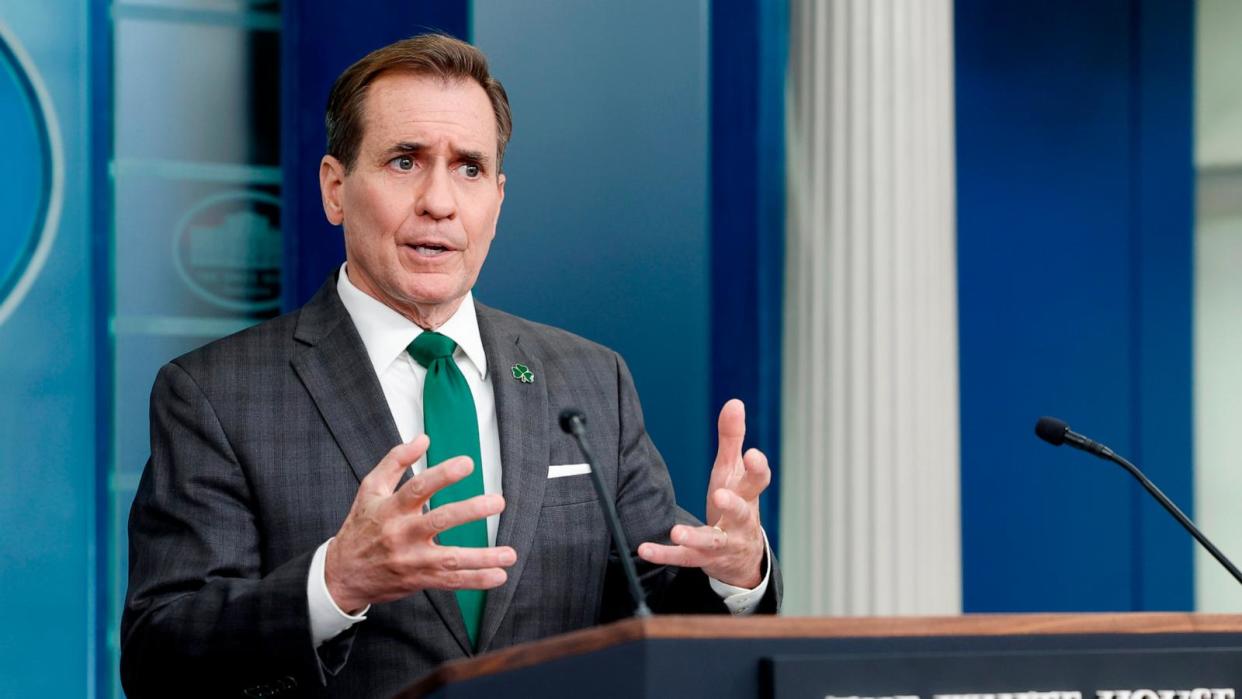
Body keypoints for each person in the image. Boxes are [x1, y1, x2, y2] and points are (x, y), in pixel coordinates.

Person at [121, 33, 779, 698]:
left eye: (468, 168)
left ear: (497, 199)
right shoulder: (214, 394)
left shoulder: (589, 379)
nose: (439, 200)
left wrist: (736, 571)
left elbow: (658, 603)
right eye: (405, 161)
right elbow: (160, 650)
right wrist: (334, 583)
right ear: (335, 187)